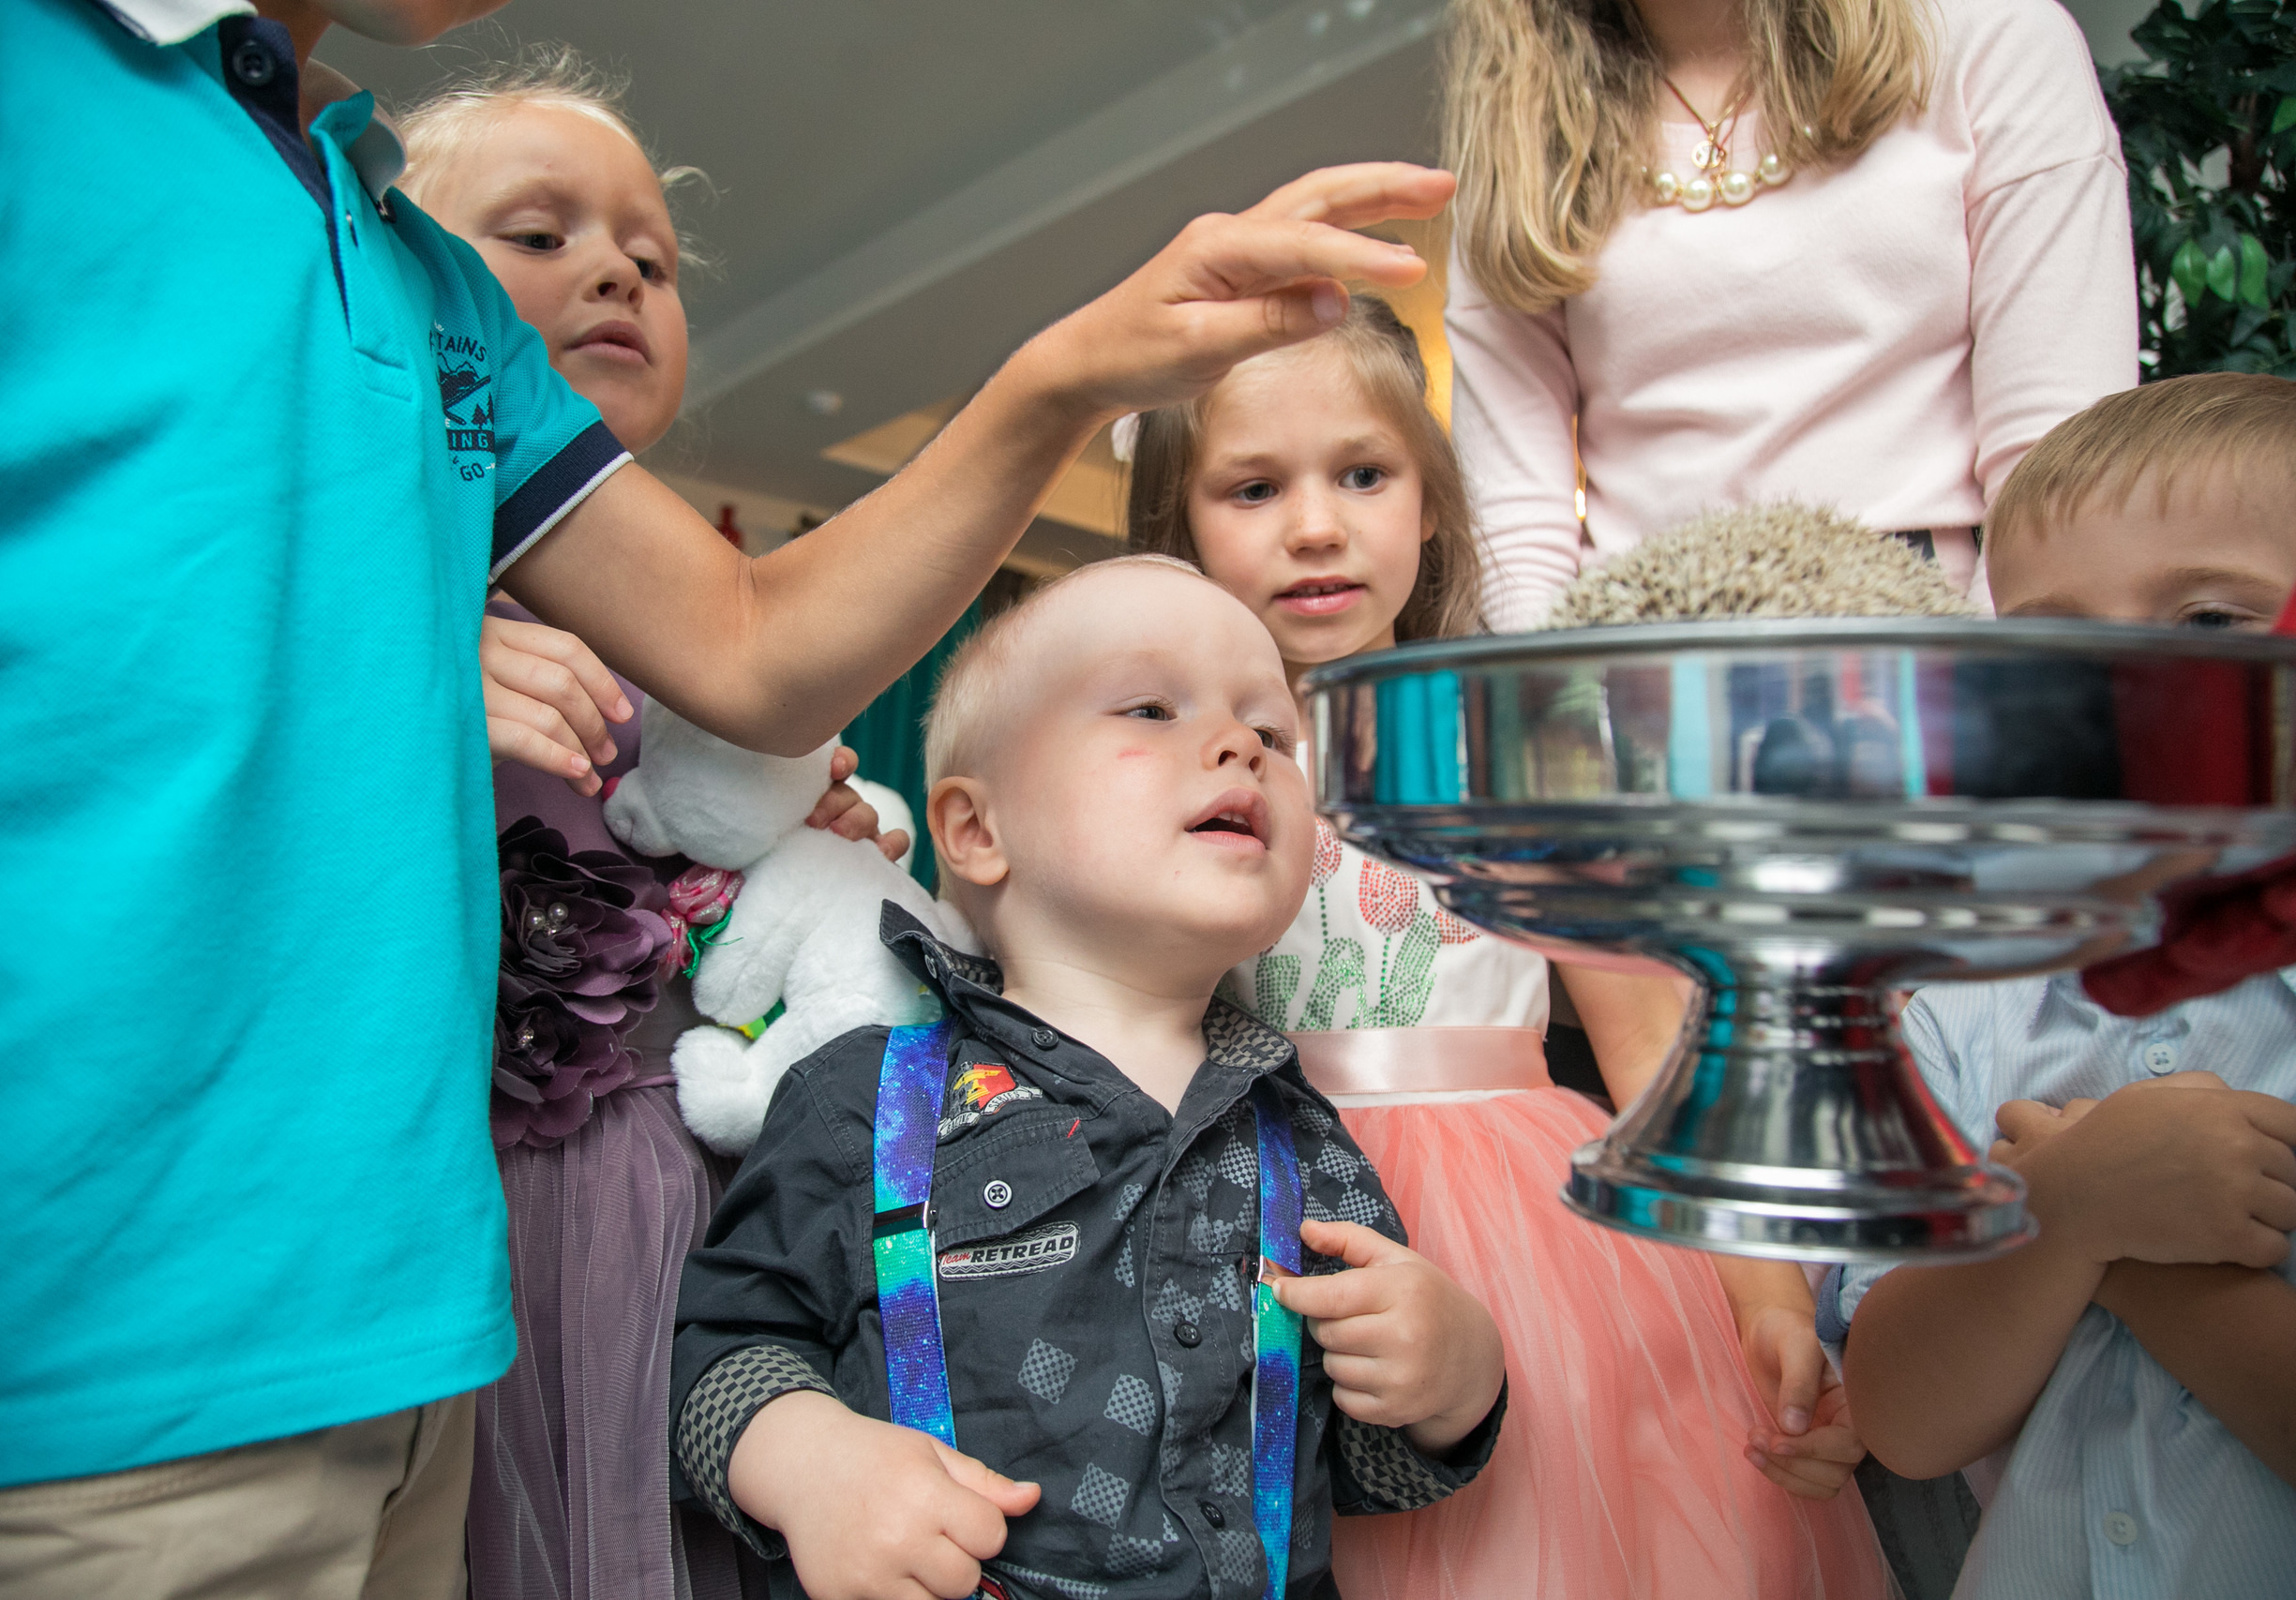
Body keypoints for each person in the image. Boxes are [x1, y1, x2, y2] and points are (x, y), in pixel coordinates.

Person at [0, 1, 1452, 1593]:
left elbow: (747, 645)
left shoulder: (398, 248)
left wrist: (1068, 372)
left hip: (412, 1317)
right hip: (79, 1322)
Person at [1124, 295, 1883, 1598]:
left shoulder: (1525, 751)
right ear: (1174, 528)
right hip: (1268, 1222)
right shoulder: (1159, 773)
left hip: (1550, 1241)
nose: (1316, 523)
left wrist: (1766, 1292)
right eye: (1254, 487)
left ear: (1430, 503)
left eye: (1363, 473)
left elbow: (1654, 1049)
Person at [668, 558, 1508, 1600]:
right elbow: (719, 1352)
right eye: (1151, 708)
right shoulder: (863, 1100)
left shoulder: (1306, 1136)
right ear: (978, 830)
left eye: (1275, 736)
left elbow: (1353, 1471)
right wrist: (806, 1465)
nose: (1241, 744)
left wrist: (1452, 1384)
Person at [388, 52, 905, 1600]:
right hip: (479, 1218)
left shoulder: (697, 640)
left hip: (715, 1197)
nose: (614, 265)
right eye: (539, 234)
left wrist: (816, 856)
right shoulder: (397, 607)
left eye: (652, 259)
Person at [1831, 372, 2296, 1598]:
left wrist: (2142, 1259)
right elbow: (1903, 1417)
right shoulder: (1964, 1007)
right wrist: (2075, 1207)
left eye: (2207, 622)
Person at [1440, 0, 2138, 630]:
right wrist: (1560, 714)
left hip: (1924, 636)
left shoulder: (1995, 40)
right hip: (1634, 654)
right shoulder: (1519, 132)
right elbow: (1516, 527)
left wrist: (1976, 703)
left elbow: (2055, 469)